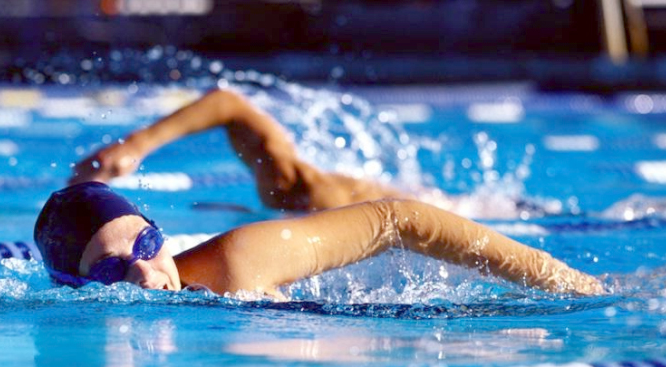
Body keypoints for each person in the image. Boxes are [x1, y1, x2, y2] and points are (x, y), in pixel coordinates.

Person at [35, 181, 603, 299]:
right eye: (110, 271)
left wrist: (571, 285)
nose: (143, 271)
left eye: (146, 243)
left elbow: (398, 219)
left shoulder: (237, 264)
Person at [69, 88, 431, 212]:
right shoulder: (290, 189)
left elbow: (229, 103)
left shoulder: (298, 192)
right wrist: (135, 145)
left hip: (425, 207)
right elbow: (229, 104)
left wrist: (136, 144)